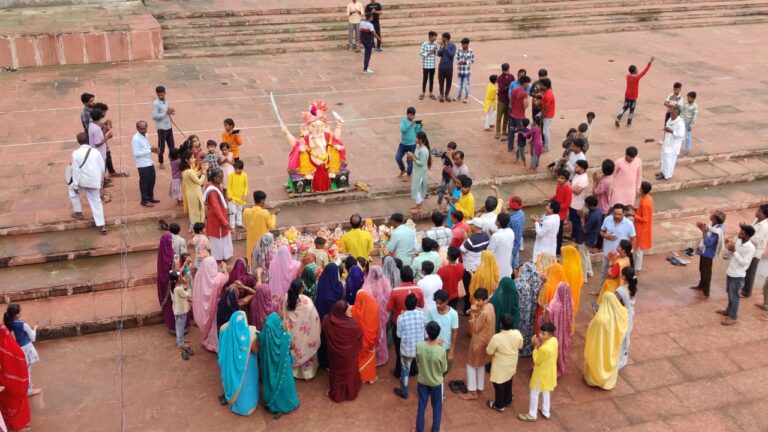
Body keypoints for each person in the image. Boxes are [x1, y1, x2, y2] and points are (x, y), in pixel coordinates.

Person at [218, 311, 259, 416]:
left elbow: (221, 350)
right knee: (247, 383)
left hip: (231, 367)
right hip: (248, 368)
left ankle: (235, 402)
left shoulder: (224, 329)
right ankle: (248, 406)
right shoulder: (251, 333)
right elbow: (255, 350)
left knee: (235, 382)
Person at [583, 292, 628, 390]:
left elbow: (592, 329)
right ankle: (607, 381)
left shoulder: (600, 317)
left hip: (599, 345)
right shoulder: (622, 312)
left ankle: (593, 379)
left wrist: (595, 315)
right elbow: (623, 327)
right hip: (612, 345)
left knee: (598, 359)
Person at [259, 313, 300, 415]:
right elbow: (292, 346)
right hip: (284, 368)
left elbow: (258, 344)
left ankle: (272, 404)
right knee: (285, 384)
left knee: (270, 381)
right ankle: (286, 404)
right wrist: (285, 331)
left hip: (269, 366)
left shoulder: (264, 335)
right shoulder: (286, 338)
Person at [517, 321, 558, 422]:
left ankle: (532, 414)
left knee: (534, 392)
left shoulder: (545, 349)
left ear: (550, 334)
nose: (540, 335)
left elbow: (536, 360)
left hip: (541, 373)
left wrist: (535, 346)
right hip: (550, 372)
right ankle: (546, 411)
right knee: (546, 390)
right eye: (540, 332)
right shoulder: (554, 341)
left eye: (543, 334)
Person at [387, 267, 424, 378]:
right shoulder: (418, 289)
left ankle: (399, 371)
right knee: (414, 345)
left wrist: (398, 309)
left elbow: (388, 308)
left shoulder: (395, 291)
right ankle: (413, 369)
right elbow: (421, 305)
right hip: (414, 322)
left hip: (398, 322)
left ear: (401, 277)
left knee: (399, 349)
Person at [324, 300, 363, 402]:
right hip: (349, 356)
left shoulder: (327, 320)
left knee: (336, 374)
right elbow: (359, 337)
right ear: (342, 312)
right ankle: (350, 392)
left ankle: (337, 394)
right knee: (349, 373)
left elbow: (324, 330)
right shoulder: (353, 325)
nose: (351, 310)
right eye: (348, 310)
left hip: (334, 355)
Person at [282, 279, 321, 380]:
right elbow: (314, 318)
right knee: (304, 347)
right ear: (301, 289)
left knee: (294, 349)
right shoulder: (307, 302)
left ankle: (293, 371)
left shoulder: (286, 298)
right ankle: (306, 373)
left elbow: (284, 315)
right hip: (303, 335)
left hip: (292, 332)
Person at [718, 224, 756, 325]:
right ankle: (728, 310)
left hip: (738, 275)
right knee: (730, 293)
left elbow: (744, 263)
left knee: (734, 296)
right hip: (731, 271)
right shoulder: (739, 241)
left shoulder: (750, 248)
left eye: (742, 233)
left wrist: (734, 251)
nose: (739, 234)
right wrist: (729, 247)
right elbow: (732, 254)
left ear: (747, 236)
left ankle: (733, 316)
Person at [460, 288, 495, 401]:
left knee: (471, 365)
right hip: (487, 341)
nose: (476, 303)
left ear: (485, 300)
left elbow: (475, 328)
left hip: (478, 342)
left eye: (479, 301)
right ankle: (479, 388)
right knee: (481, 365)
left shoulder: (483, 313)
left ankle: (472, 392)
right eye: (476, 300)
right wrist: (476, 310)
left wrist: (474, 314)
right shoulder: (490, 306)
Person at [412, 321, 447, 432]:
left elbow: (417, 360)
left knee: (421, 406)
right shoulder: (441, 350)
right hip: (436, 383)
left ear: (427, 333)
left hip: (423, 381)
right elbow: (444, 369)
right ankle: (435, 429)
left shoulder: (419, 345)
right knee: (437, 408)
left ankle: (419, 429)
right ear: (438, 334)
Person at [69, 132, 107, 234]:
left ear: (78, 141)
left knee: (72, 191)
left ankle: (78, 212)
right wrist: (99, 181)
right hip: (94, 181)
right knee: (96, 201)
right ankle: (102, 225)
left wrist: (76, 185)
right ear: (88, 140)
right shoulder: (96, 152)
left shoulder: (76, 153)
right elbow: (102, 168)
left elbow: (76, 171)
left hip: (82, 181)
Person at [486, 313, 523, 412]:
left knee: (499, 383)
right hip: (512, 361)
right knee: (509, 379)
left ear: (501, 324)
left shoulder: (497, 337)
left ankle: (499, 405)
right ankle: (508, 399)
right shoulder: (517, 333)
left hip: (500, 363)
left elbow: (489, 351)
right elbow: (520, 346)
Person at [393, 293, 426, 400]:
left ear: (405, 304)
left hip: (406, 350)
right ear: (416, 304)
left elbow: (398, 335)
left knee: (405, 371)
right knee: (422, 371)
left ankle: (405, 392)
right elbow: (426, 334)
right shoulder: (422, 314)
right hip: (420, 348)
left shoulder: (401, 317)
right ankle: (423, 392)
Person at [3, 304, 40, 396]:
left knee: (23, 368)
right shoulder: (23, 324)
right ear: (17, 314)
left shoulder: (10, 323)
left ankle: (27, 385)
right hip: (26, 348)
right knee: (27, 370)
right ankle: (29, 390)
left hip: (18, 348)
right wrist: (35, 328)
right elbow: (32, 337)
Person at [193, 257, 228, 351]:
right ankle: (215, 343)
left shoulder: (200, 278)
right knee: (215, 324)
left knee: (211, 326)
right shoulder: (218, 279)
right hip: (216, 308)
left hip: (206, 309)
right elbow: (227, 278)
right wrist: (224, 269)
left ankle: (209, 341)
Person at [0, 322, 30, 431]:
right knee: (16, 403)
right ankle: (18, 425)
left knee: (6, 406)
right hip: (12, 385)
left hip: (4, 386)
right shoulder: (11, 348)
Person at [598, 204, 636, 287]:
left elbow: (632, 237)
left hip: (620, 255)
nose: (616, 216)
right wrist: (606, 236)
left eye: (619, 214)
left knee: (618, 275)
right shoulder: (607, 219)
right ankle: (600, 290)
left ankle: (616, 293)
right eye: (615, 214)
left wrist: (628, 251)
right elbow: (601, 231)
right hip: (607, 252)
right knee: (604, 272)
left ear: (624, 213)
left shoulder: (629, 224)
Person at [362, 265, 393, 366]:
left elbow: (364, 302)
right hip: (382, 315)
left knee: (372, 335)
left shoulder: (366, 287)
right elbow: (389, 296)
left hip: (371, 317)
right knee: (382, 334)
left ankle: (372, 358)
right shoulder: (385, 283)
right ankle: (381, 356)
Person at [690, 211, 726, 298]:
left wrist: (703, 230)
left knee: (706, 272)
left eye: (713, 216)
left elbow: (708, 242)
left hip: (708, 253)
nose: (711, 216)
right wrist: (701, 228)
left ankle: (706, 291)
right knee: (702, 269)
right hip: (704, 251)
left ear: (716, 220)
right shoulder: (712, 225)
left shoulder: (718, 231)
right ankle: (701, 285)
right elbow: (707, 231)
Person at [461, 222, 493, 313]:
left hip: (469, 268)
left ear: (474, 227)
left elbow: (461, 250)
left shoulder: (470, 240)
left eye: (470, 226)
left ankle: (468, 308)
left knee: (469, 290)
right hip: (479, 266)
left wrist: (465, 239)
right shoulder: (486, 236)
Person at [350, 288, 380, 384]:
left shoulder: (354, 310)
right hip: (372, 337)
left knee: (360, 356)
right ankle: (370, 377)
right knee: (370, 356)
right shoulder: (374, 305)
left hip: (360, 339)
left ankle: (361, 375)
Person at [614, 57, 653, 127]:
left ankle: (618, 118)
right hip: (633, 96)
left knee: (625, 107)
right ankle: (629, 122)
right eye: (636, 69)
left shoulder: (628, 76)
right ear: (634, 71)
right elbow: (645, 71)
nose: (638, 70)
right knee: (632, 109)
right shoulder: (637, 77)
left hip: (627, 94)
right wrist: (650, 63)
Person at [203, 169, 233, 261]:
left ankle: (223, 255)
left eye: (222, 176)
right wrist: (224, 222)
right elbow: (216, 208)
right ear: (214, 178)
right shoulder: (212, 191)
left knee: (222, 236)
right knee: (219, 237)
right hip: (217, 219)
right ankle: (220, 257)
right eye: (219, 177)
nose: (222, 179)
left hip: (219, 216)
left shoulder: (213, 185)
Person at [244, 190, 279, 265]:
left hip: (251, 243)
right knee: (262, 262)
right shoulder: (264, 213)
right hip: (262, 243)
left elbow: (245, 224)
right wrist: (273, 215)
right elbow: (272, 226)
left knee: (252, 261)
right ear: (262, 201)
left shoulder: (246, 211)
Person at [427, 290, 458, 371]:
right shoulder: (431, 312)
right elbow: (428, 328)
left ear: (447, 301)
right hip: (433, 347)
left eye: (440, 303)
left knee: (445, 369)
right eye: (436, 303)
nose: (438, 305)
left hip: (446, 348)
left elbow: (454, 332)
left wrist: (451, 351)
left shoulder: (453, 314)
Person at [546, 283, 573, 376]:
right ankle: (559, 365)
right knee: (560, 348)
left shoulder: (554, 304)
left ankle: (551, 368)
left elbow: (548, 317)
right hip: (563, 332)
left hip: (553, 332)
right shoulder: (569, 303)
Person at [517, 262, 543, 357]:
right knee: (530, 328)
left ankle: (520, 349)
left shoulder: (520, 282)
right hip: (533, 310)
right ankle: (528, 348)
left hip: (521, 311)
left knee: (521, 328)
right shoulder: (537, 281)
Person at [131, 120, 159, 207]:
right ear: (137, 128)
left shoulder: (146, 135)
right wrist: (149, 150)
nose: (143, 130)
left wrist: (153, 149)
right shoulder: (135, 139)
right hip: (142, 165)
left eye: (144, 128)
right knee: (145, 182)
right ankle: (144, 200)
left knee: (152, 181)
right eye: (141, 129)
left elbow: (146, 147)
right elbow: (136, 153)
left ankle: (150, 197)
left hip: (149, 162)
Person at [598, 239, 634, 303]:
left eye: (619, 246)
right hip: (620, 285)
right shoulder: (627, 258)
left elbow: (611, 275)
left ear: (623, 251)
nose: (617, 246)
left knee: (605, 304)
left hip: (613, 286)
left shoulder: (619, 263)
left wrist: (610, 263)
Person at [156, 232, 178, 333]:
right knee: (175, 303)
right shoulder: (174, 256)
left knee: (169, 303)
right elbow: (178, 271)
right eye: (171, 241)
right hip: (174, 284)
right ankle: (177, 327)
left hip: (164, 282)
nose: (173, 242)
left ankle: (170, 324)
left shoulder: (161, 254)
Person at [616, 267, 637, 369]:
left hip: (621, 316)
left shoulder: (620, 290)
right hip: (628, 316)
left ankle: (616, 359)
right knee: (624, 337)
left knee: (618, 338)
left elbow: (615, 304)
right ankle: (621, 357)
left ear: (624, 276)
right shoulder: (632, 286)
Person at [744, 205, 768, 297]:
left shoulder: (764, 226)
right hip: (750, 249)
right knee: (747, 270)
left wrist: (746, 234)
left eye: (759, 211)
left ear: (764, 215)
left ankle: (747, 291)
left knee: (750, 272)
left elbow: (756, 240)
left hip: (755, 252)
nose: (757, 212)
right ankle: (744, 288)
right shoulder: (757, 220)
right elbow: (752, 230)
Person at [657, 106, 686, 180]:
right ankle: (662, 172)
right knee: (663, 158)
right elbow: (667, 125)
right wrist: (666, 129)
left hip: (673, 145)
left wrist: (671, 131)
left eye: (672, 113)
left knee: (669, 160)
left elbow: (681, 135)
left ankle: (667, 175)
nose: (671, 115)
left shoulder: (680, 123)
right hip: (667, 142)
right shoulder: (670, 119)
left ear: (677, 114)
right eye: (670, 113)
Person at [181, 151, 207, 231]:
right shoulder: (189, 171)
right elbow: (200, 182)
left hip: (191, 192)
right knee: (198, 210)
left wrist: (201, 169)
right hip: (194, 193)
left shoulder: (186, 170)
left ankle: (194, 226)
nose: (194, 159)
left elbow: (195, 174)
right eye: (192, 158)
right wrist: (204, 172)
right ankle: (197, 227)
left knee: (193, 210)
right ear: (186, 160)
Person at [170, 271, 194, 359]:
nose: (182, 278)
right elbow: (187, 294)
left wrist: (183, 284)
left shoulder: (173, 287)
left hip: (176, 309)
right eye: (180, 277)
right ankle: (181, 344)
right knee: (181, 326)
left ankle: (180, 340)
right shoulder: (179, 289)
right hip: (181, 310)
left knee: (178, 325)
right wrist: (188, 284)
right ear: (177, 280)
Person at [152, 85, 176, 167]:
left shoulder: (166, 101)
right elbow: (154, 116)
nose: (160, 96)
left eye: (162, 94)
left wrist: (170, 112)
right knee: (161, 146)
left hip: (168, 126)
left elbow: (166, 110)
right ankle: (161, 162)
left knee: (172, 145)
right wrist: (165, 113)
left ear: (165, 93)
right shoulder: (156, 104)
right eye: (159, 95)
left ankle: (173, 159)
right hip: (161, 128)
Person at [396, 107, 422, 180]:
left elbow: (417, 132)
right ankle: (403, 169)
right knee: (398, 158)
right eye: (410, 115)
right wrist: (410, 124)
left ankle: (408, 175)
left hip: (412, 144)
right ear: (407, 114)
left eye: (413, 115)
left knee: (410, 160)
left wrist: (420, 127)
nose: (412, 117)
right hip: (403, 143)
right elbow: (402, 130)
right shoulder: (403, 121)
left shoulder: (415, 122)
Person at [549, 170, 572, 254]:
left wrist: (557, 207)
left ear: (566, 179)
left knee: (558, 233)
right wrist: (551, 198)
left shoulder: (568, 189)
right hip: (555, 211)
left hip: (561, 214)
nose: (559, 179)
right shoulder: (559, 185)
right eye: (559, 177)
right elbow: (557, 195)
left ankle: (557, 251)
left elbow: (567, 204)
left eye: (562, 178)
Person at [409, 131, 432, 213]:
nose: (415, 139)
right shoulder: (418, 147)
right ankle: (418, 205)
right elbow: (417, 157)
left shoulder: (424, 151)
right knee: (418, 189)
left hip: (421, 173)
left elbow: (421, 163)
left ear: (421, 140)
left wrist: (413, 158)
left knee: (417, 189)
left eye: (416, 138)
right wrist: (412, 156)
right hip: (416, 171)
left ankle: (419, 207)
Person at [633, 182, 654, 272]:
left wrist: (633, 215)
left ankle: (637, 268)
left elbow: (644, 219)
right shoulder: (648, 198)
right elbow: (642, 211)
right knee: (636, 248)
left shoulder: (645, 202)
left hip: (641, 228)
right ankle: (635, 265)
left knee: (638, 249)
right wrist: (635, 210)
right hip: (640, 227)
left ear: (642, 190)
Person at [560, 245, 583, 327]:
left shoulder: (567, 267)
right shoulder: (576, 266)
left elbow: (563, 282)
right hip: (575, 293)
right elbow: (581, 282)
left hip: (567, 294)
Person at [509, 75, 532, 152]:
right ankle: (521, 148)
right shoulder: (524, 93)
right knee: (521, 132)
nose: (528, 85)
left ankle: (510, 147)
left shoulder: (514, 91)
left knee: (511, 131)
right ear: (524, 83)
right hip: (520, 115)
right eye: (527, 83)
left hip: (512, 114)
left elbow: (511, 102)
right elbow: (525, 105)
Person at [489, 212, 515, 279]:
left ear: (498, 222)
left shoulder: (496, 236)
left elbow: (489, 252)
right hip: (507, 265)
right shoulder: (511, 232)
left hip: (498, 267)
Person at [569, 159, 589, 247]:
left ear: (583, 169)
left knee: (577, 223)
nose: (575, 168)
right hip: (572, 202)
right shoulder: (577, 175)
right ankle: (574, 235)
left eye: (577, 167)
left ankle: (578, 240)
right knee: (573, 221)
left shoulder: (584, 179)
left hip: (577, 205)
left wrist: (567, 187)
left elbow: (577, 191)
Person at [225, 160, 248, 229]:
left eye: (237, 169)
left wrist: (245, 194)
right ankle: (232, 225)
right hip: (232, 198)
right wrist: (229, 196)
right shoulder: (231, 175)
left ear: (241, 169)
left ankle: (239, 223)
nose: (235, 170)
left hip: (240, 197)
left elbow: (246, 186)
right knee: (232, 212)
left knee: (239, 210)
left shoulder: (245, 175)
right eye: (235, 169)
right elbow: (228, 186)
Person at [506, 195, 525, 273]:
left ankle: (514, 274)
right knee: (515, 259)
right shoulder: (521, 213)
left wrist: (505, 215)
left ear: (510, 205)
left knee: (511, 262)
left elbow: (506, 228)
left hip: (512, 242)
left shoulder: (511, 219)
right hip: (518, 239)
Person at [436, 32, 456, 103]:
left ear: (446, 38)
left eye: (442, 37)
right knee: (441, 81)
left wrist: (446, 48)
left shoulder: (453, 45)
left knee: (448, 82)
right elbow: (439, 54)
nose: (442, 39)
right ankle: (441, 94)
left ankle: (447, 95)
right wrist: (441, 48)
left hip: (449, 67)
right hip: (441, 67)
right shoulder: (442, 45)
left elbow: (452, 55)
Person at [495, 63, 513, 139]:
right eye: (505, 70)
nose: (506, 71)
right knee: (499, 117)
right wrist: (510, 86)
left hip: (508, 100)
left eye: (507, 69)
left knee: (506, 116)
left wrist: (508, 87)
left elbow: (512, 86)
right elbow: (502, 89)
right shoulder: (500, 78)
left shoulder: (511, 76)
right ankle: (497, 132)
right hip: (501, 100)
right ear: (502, 70)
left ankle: (504, 130)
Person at [419, 31, 438, 100]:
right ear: (430, 36)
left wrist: (435, 51)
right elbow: (421, 54)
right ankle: (423, 92)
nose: (435, 38)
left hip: (432, 65)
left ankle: (431, 92)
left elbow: (437, 54)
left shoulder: (435, 44)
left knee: (431, 79)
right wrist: (429, 53)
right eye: (434, 36)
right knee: (425, 79)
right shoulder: (424, 44)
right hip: (426, 65)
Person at [455, 37, 474, 104]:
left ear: (467, 44)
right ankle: (459, 96)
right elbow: (456, 59)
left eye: (464, 44)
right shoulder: (459, 50)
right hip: (460, 71)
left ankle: (466, 97)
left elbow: (472, 61)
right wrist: (459, 62)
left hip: (466, 71)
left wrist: (466, 62)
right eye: (462, 44)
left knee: (466, 85)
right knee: (459, 85)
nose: (462, 46)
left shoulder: (471, 51)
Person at [539, 78, 555, 151]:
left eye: (541, 85)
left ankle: (546, 147)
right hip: (546, 113)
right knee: (533, 122)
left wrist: (542, 117)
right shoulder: (547, 92)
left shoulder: (548, 95)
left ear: (545, 86)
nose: (540, 86)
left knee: (545, 131)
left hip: (547, 115)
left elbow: (546, 108)